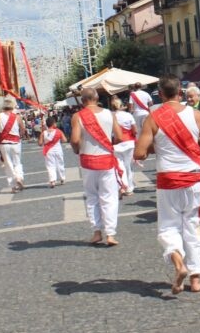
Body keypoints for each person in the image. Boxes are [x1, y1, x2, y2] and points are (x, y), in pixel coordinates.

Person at [134, 75, 200, 294]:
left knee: (169, 227)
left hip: (169, 181)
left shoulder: (153, 118)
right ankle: (196, 278)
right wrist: (195, 142)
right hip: (193, 179)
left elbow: (139, 153)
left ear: (161, 94)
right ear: (180, 92)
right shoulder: (196, 114)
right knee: (193, 226)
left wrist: (157, 145)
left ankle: (179, 264)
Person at [71, 87, 122, 246]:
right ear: (97, 98)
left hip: (88, 161)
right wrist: (108, 145)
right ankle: (110, 234)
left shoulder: (78, 116)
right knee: (109, 197)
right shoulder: (109, 114)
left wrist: (77, 150)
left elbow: (74, 140)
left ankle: (97, 232)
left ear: (83, 100)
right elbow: (119, 137)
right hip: (106, 161)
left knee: (92, 197)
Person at [0, 97, 26, 193]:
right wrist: (19, 135)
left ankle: (13, 186)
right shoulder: (17, 117)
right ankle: (19, 177)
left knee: (8, 164)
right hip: (16, 142)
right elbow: (23, 129)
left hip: (4, 143)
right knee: (17, 162)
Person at [111, 97, 137, 196]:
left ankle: (122, 185)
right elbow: (135, 130)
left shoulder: (110, 116)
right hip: (129, 143)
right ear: (121, 105)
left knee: (120, 167)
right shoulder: (128, 115)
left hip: (116, 143)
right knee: (128, 166)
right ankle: (129, 188)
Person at [42, 117, 67, 188]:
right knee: (60, 164)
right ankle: (62, 178)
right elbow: (64, 140)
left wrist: (45, 141)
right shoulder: (58, 131)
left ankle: (52, 181)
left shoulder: (44, 132)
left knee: (50, 166)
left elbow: (40, 143)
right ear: (53, 124)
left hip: (48, 151)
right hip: (58, 150)